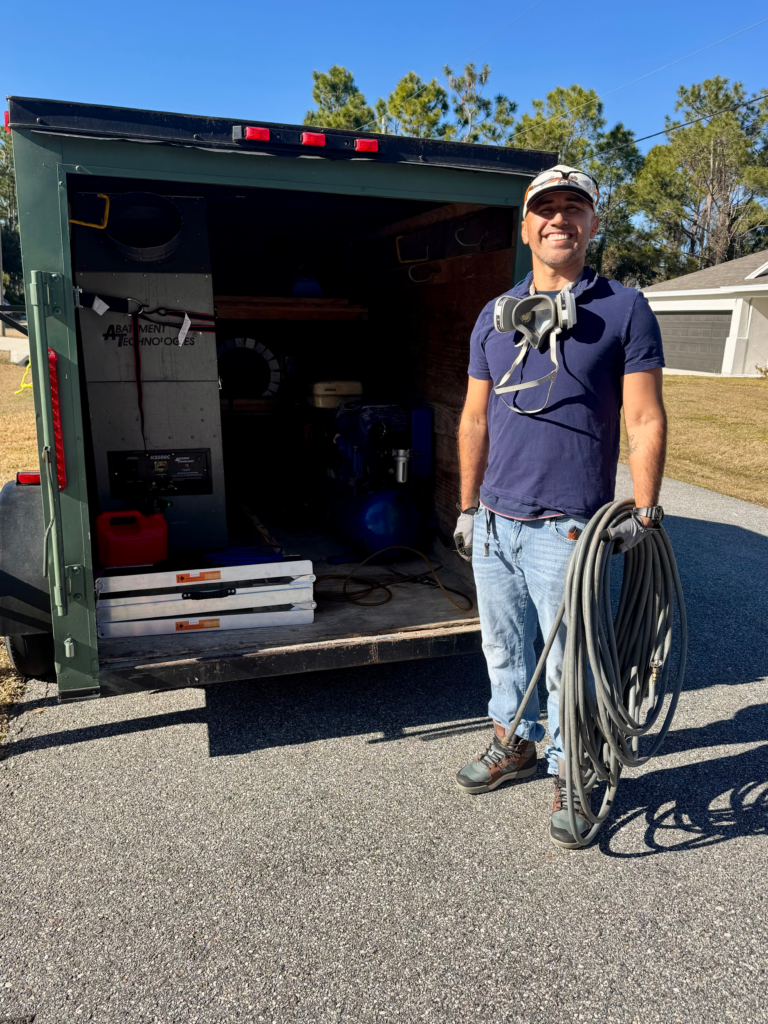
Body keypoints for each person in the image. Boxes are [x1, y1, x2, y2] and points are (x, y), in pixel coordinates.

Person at [453, 164, 667, 849]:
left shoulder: (624, 307)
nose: (560, 219)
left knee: (575, 661)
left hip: (568, 530)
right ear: (526, 225)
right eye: (546, 208)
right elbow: (474, 420)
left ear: (593, 224)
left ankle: (574, 769)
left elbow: (646, 419)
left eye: (576, 208)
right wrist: (466, 509)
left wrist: (646, 510)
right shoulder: (493, 315)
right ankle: (513, 741)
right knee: (505, 650)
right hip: (494, 522)